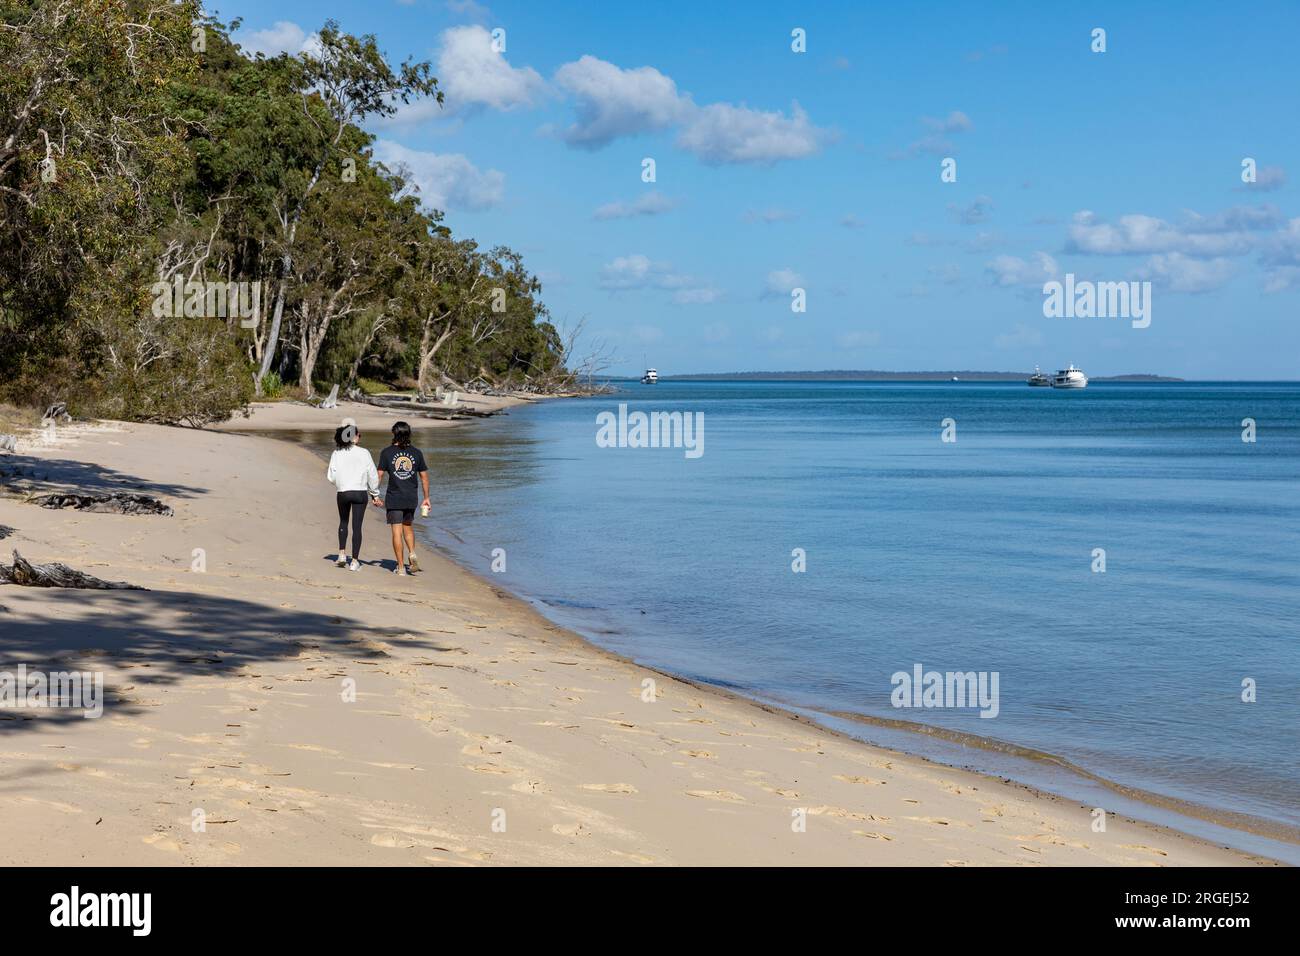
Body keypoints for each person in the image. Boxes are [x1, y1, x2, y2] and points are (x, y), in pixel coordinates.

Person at [376, 421, 430, 575]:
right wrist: (426, 498)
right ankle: (412, 553)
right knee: (408, 527)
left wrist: (374, 494)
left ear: (395, 434)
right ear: (409, 434)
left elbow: (379, 475)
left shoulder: (386, 453)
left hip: (394, 498)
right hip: (411, 498)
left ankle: (400, 567)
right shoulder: (417, 453)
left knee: (396, 532)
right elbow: (424, 478)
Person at [326, 422, 380, 571]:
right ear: (354, 437)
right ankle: (354, 561)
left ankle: (342, 554)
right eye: (358, 434)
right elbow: (372, 475)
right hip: (360, 493)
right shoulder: (364, 453)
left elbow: (331, 476)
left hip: (343, 492)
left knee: (343, 522)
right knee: (357, 527)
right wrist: (375, 494)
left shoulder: (337, 453)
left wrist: (341, 484)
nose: (360, 437)